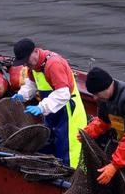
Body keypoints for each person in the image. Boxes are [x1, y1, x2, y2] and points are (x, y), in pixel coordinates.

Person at [9, 38, 88, 169]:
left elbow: (63, 94)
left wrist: (41, 107)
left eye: (26, 61)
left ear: (35, 51)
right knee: (50, 143)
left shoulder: (54, 64)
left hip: (68, 115)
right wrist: (22, 95)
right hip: (52, 113)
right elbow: (32, 84)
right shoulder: (34, 66)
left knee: (69, 153)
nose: (25, 65)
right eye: (23, 62)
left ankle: (71, 180)